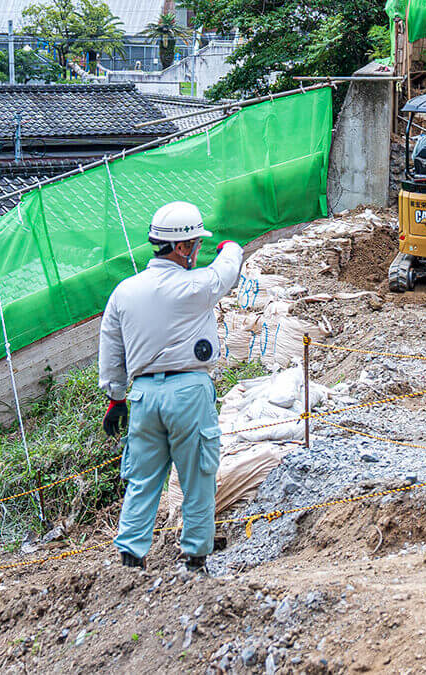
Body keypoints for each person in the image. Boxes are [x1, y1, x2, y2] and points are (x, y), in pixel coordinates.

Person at [98, 201, 243, 572]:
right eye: (195, 243)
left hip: (144, 396)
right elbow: (225, 272)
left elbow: (111, 351)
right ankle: (194, 560)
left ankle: (130, 559)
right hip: (188, 392)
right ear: (181, 248)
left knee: (142, 479)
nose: (198, 250)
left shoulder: (125, 292)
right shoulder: (195, 286)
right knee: (198, 477)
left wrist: (116, 399)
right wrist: (230, 248)